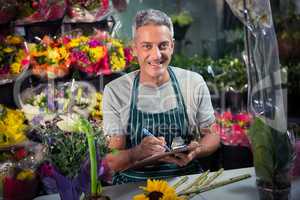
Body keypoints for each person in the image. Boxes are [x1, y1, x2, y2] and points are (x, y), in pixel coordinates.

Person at [103, 9, 220, 184]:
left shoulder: (193, 82)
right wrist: (137, 152)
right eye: (147, 46)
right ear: (134, 48)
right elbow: (112, 160)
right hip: (134, 186)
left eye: (163, 45)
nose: (156, 55)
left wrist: (197, 150)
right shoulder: (116, 91)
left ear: (172, 46)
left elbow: (213, 134)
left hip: (186, 181)